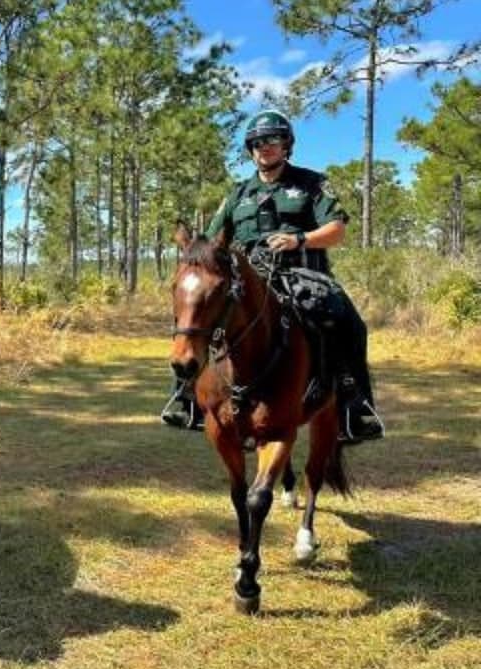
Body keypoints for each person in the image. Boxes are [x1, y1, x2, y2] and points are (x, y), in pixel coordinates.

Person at [161, 110, 384, 444]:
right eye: (258, 142)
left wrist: (301, 239)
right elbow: (209, 240)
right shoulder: (238, 193)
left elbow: (337, 229)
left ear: (286, 145)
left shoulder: (311, 183)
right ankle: (186, 398)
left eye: (273, 140)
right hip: (250, 276)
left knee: (348, 320)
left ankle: (355, 406)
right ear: (251, 149)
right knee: (200, 311)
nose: (265, 147)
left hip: (303, 272)